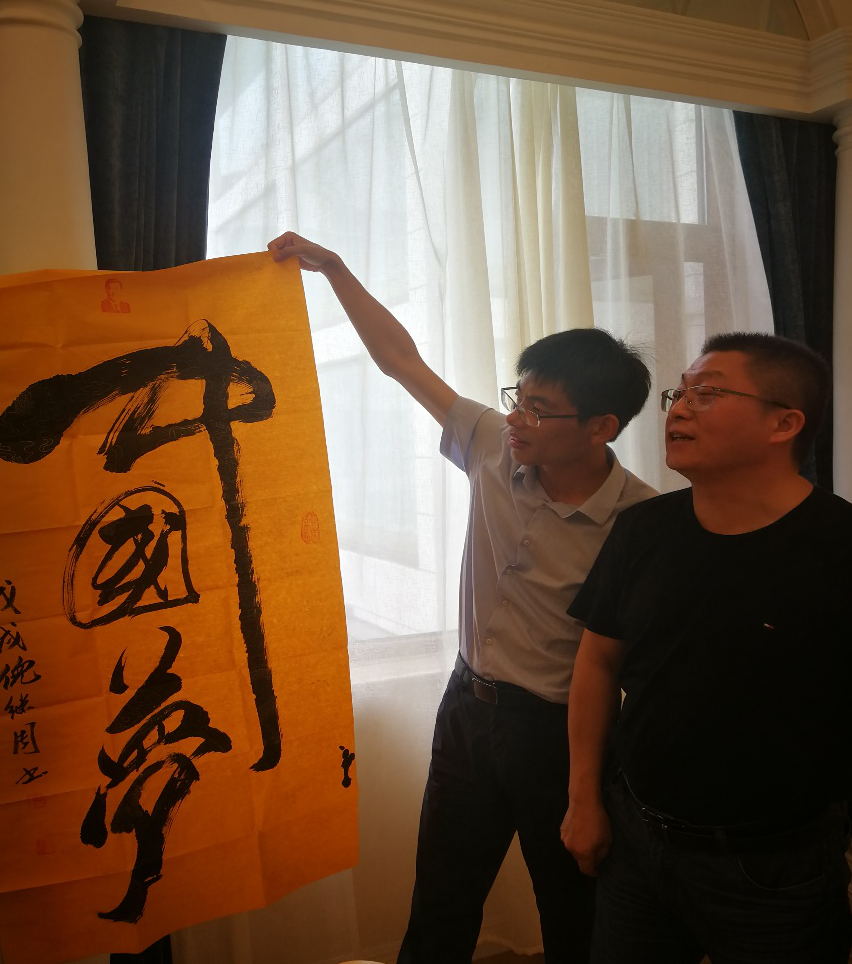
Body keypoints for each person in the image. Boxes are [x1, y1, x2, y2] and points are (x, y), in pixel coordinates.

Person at [268, 230, 657, 964]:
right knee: (440, 905)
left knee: (573, 914)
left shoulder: (642, 521)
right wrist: (337, 269)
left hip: (557, 734)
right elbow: (401, 361)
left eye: (539, 408)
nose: (516, 418)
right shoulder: (491, 444)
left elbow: (629, 663)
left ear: (601, 428)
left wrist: (589, 792)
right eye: (518, 397)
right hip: (467, 711)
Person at [561, 331, 852, 964]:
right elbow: (598, 663)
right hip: (637, 839)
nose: (679, 409)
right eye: (680, 393)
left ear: (784, 424)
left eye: (708, 394)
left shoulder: (839, 546)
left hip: (775, 866)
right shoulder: (644, 529)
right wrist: (583, 799)